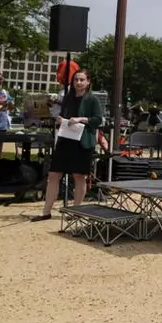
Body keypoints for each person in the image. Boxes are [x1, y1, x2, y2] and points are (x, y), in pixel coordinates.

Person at [31, 69, 103, 221]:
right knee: (54, 175)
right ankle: (46, 211)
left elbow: (98, 119)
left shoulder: (92, 99)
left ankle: (77, 211)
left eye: (82, 80)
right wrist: (60, 119)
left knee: (79, 176)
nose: (78, 82)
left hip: (82, 141)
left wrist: (81, 119)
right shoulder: (68, 98)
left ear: (88, 82)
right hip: (66, 139)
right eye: (76, 80)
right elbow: (63, 115)